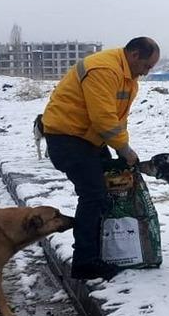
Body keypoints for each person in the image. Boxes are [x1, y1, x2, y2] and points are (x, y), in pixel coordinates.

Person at [42, 37, 159, 280]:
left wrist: (120, 149)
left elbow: (117, 118)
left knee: (106, 191)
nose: (147, 73)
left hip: (88, 138)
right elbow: (103, 118)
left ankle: (102, 251)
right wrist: (125, 150)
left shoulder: (128, 77)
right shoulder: (104, 70)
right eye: (147, 66)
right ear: (135, 54)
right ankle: (85, 263)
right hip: (68, 138)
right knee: (93, 195)